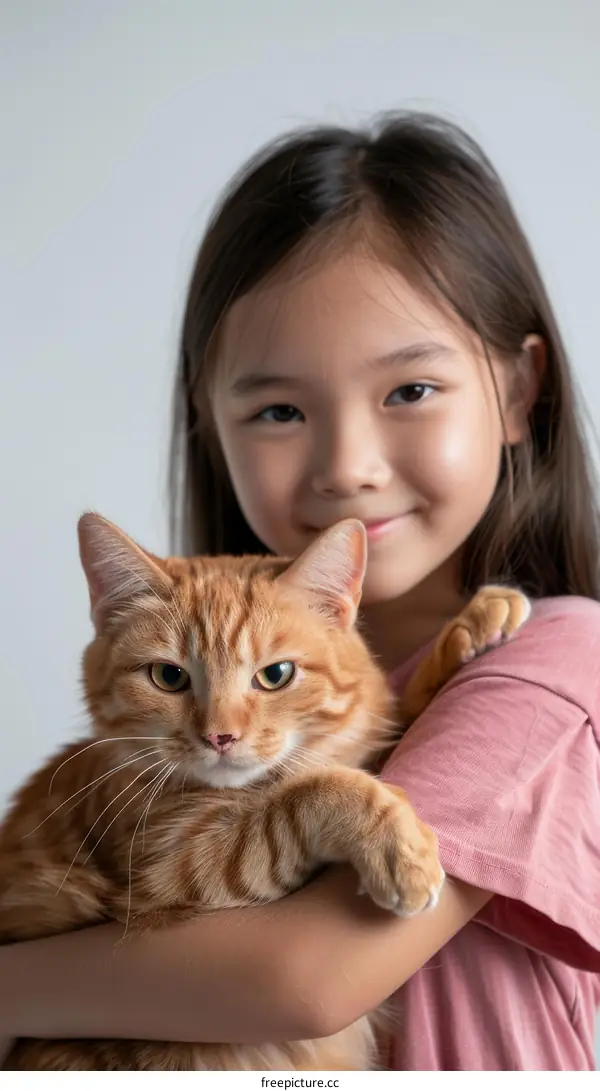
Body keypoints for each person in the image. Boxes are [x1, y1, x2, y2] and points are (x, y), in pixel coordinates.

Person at [2, 111, 600, 1071]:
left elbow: (306, 978)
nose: (348, 467)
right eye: (280, 408)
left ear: (522, 391)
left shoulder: (559, 661)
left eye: (409, 390)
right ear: (210, 425)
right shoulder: (289, 681)